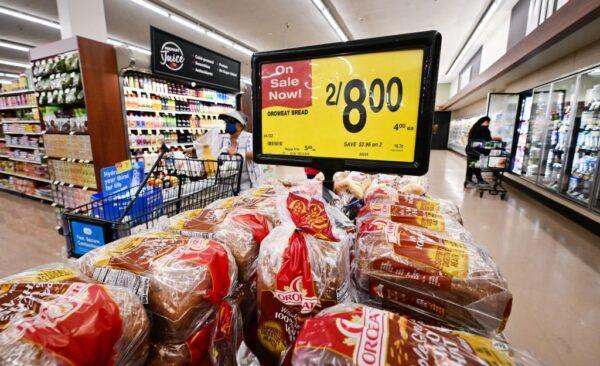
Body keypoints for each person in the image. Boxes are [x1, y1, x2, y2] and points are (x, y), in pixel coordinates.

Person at [216, 110, 261, 191]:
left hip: (246, 185)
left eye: (230, 122)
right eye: (226, 122)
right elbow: (212, 150)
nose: (227, 124)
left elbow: (256, 155)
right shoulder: (223, 138)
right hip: (226, 185)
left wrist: (238, 153)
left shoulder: (249, 137)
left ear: (239, 126)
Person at [465, 116, 496, 184]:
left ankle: (470, 179)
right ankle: (478, 180)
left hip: (471, 150)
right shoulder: (485, 129)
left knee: (472, 165)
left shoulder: (475, 128)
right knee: (475, 165)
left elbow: (475, 139)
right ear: (486, 122)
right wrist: (493, 144)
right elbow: (485, 142)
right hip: (478, 151)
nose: (488, 124)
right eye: (488, 122)